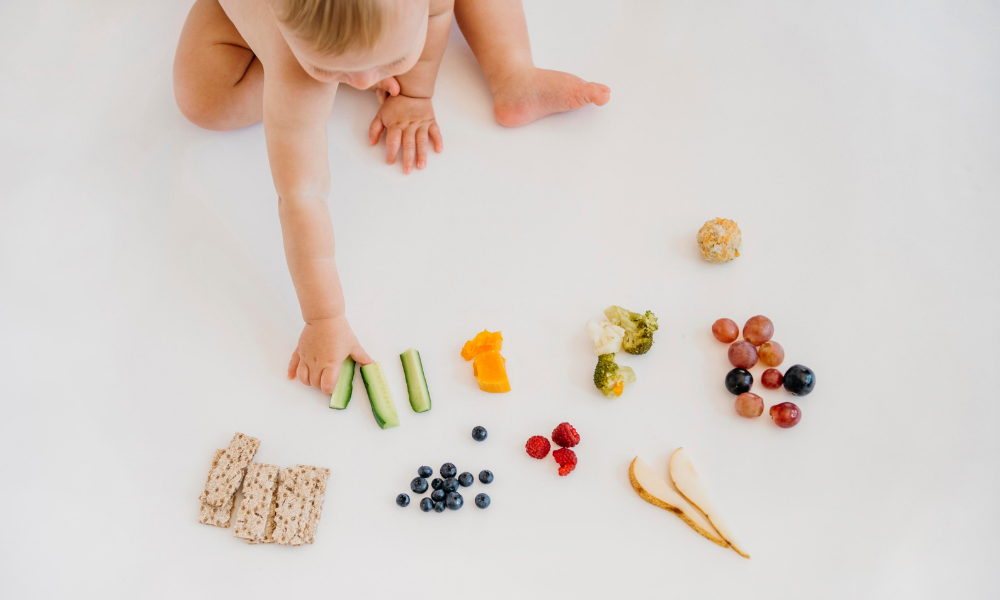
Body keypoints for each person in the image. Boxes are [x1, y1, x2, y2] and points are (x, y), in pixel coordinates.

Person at [173, 0, 610, 394]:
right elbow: (300, 195)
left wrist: (416, 91)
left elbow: (438, 14)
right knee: (203, 100)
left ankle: (514, 72)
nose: (366, 81)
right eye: (336, 69)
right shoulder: (293, 69)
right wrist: (324, 318)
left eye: (390, 61)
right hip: (258, 26)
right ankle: (341, 55)